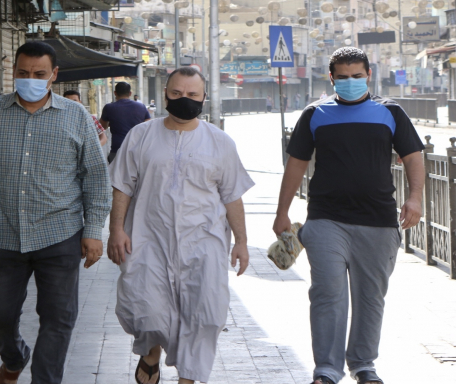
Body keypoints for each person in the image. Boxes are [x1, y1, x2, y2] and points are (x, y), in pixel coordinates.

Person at [0, 41, 112, 384]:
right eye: (23, 73)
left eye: (39, 74)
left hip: (60, 233)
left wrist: (93, 230)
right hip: (1, 233)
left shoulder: (76, 117)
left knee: (59, 318)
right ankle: (14, 357)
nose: (31, 80)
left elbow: (96, 177)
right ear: (13, 72)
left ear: (54, 74)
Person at [273, 47, 424, 384]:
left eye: (357, 76)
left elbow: (413, 156)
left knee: (370, 298)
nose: (350, 81)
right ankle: (326, 370)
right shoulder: (315, 114)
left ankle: (363, 364)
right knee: (327, 294)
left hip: (379, 221)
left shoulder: (390, 112)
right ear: (331, 78)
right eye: (342, 77)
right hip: (326, 219)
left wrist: (415, 199)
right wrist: (282, 212)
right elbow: (296, 164)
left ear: (369, 75)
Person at [108, 67, 254, 384]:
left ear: (203, 97)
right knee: (146, 310)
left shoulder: (220, 142)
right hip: (148, 238)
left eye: (191, 94)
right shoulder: (141, 136)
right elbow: (122, 186)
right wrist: (116, 230)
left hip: (204, 242)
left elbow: (232, 196)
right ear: (165, 94)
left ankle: (188, 377)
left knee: (205, 313)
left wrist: (241, 241)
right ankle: (151, 352)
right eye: (176, 93)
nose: (183, 99)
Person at [99, 82, 150, 163]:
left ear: (115, 93)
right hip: (137, 150)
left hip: (117, 150)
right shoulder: (141, 106)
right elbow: (148, 126)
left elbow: (102, 127)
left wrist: (112, 123)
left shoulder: (109, 108)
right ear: (130, 93)